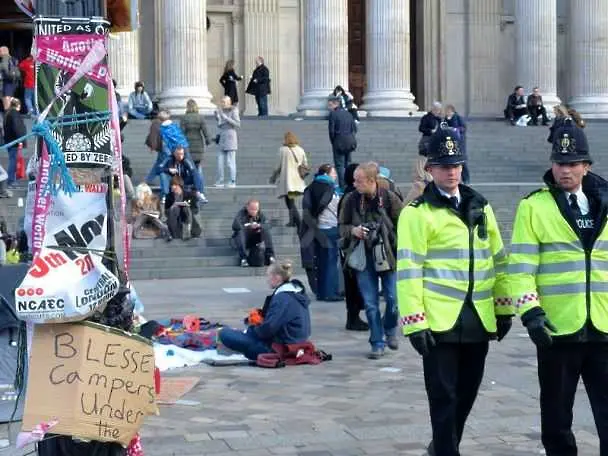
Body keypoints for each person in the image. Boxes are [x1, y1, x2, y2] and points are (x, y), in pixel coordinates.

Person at [398, 127, 512, 456]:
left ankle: (442, 447)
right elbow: (408, 270)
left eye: (456, 165)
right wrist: (414, 322)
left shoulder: (481, 206)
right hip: (438, 321)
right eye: (444, 166)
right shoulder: (416, 213)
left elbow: (499, 261)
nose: (451, 171)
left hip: (477, 317)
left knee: (466, 395)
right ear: (429, 170)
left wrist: (503, 308)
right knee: (443, 397)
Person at [509, 120, 608, 456]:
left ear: (586, 167)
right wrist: (531, 312)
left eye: (572, 164)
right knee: (556, 417)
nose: (565, 170)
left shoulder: (605, 204)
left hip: (603, 327)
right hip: (557, 327)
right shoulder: (533, 206)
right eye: (559, 163)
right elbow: (521, 267)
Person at [339, 162, 404, 358]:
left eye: (358, 180)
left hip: (387, 255)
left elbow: (404, 223)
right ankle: (377, 341)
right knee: (370, 303)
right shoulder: (350, 199)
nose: (354, 183)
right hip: (363, 257)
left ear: (371, 181)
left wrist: (393, 241)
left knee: (393, 300)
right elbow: (341, 227)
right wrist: (354, 230)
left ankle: (390, 329)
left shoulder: (389, 197)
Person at [218, 260, 311, 361]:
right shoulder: (295, 293)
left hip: (280, 348)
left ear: (277, 277)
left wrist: (254, 329)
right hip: (295, 343)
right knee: (244, 332)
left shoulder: (282, 298)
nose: (267, 280)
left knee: (224, 333)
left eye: (269, 276)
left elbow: (268, 328)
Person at [301, 164, 343, 302]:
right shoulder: (330, 188)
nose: (335, 175)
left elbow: (307, 209)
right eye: (334, 173)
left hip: (317, 229)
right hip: (330, 228)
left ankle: (321, 291)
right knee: (331, 261)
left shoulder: (310, 187)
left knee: (320, 261)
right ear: (327, 174)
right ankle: (331, 292)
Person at [337, 163, 369, 331]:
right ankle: (353, 317)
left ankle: (355, 315)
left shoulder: (350, 194)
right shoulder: (350, 196)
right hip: (351, 246)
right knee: (353, 283)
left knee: (354, 283)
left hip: (353, 245)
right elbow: (342, 224)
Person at [271, 131, 307, 229]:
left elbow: (277, 166)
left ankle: (298, 222)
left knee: (290, 202)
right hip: (297, 181)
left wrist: (273, 177)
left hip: (288, 181)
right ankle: (292, 221)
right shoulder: (300, 149)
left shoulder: (282, 150)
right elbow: (305, 164)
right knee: (290, 201)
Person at [181, 99, 211, 199]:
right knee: (198, 168)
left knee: (189, 168)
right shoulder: (200, 118)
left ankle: (189, 186)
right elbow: (205, 131)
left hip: (188, 146)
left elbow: (181, 133)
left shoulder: (184, 118)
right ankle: (200, 189)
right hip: (199, 145)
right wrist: (208, 140)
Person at [232, 199, 275, 267]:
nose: (254, 211)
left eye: (256, 209)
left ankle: (270, 256)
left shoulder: (260, 214)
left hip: (254, 239)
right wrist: (248, 226)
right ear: (247, 207)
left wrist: (259, 225)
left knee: (266, 230)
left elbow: (268, 224)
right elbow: (235, 225)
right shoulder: (241, 213)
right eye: (252, 209)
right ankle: (243, 258)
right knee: (240, 233)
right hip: (243, 239)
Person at [328, 95, 357, 188]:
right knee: (348, 164)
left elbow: (331, 131)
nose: (329, 107)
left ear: (335, 103)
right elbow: (354, 129)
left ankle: (343, 185)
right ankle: (349, 183)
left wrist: (333, 141)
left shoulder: (333, 114)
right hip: (350, 141)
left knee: (340, 165)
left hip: (339, 141)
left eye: (330, 105)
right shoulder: (348, 114)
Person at [164, 176, 201, 240]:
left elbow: (195, 210)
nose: (173, 187)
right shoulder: (169, 196)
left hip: (186, 216)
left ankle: (188, 231)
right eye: (172, 185)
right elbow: (166, 212)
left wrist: (187, 207)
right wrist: (172, 208)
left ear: (180, 185)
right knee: (174, 208)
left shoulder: (190, 195)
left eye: (175, 185)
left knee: (185, 208)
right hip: (174, 217)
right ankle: (174, 233)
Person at [215, 96, 240, 188]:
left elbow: (238, 123)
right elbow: (220, 125)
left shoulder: (234, 110)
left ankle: (232, 180)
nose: (222, 104)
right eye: (221, 102)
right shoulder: (220, 111)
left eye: (224, 102)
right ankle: (220, 180)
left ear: (229, 102)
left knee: (230, 162)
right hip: (222, 136)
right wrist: (218, 118)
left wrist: (226, 118)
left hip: (231, 136)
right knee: (219, 161)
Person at [3, 98, 26, 187]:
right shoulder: (14, 114)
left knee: (13, 160)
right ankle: (11, 181)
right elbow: (17, 128)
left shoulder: (8, 113)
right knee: (13, 161)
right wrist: (20, 140)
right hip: (14, 141)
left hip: (9, 140)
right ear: (18, 105)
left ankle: (11, 180)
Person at [444, 104, 470, 184]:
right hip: (450, 142)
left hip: (459, 142)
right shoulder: (445, 119)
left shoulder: (457, 117)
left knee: (461, 161)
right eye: (446, 111)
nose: (446, 112)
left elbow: (463, 128)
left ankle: (466, 179)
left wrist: (455, 129)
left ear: (452, 110)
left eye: (448, 110)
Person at [0, 47, 19, 112]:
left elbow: (4, 68)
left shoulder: (5, 58)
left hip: (7, 82)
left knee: (6, 103)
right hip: (13, 82)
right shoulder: (13, 59)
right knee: (9, 99)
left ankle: (8, 117)